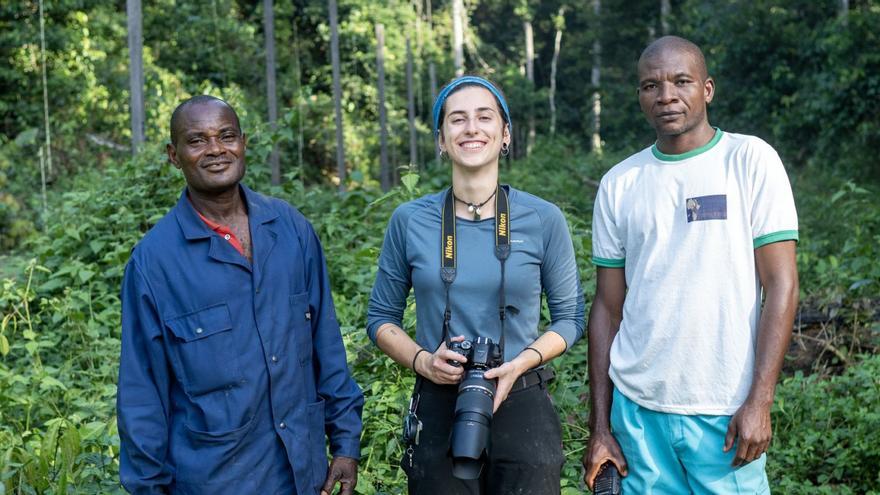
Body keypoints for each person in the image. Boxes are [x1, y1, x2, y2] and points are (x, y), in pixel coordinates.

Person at [582, 36, 799, 494]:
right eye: (651, 86)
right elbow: (606, 307)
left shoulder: (748, 160)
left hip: (722, 409)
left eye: (681, 81)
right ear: (640, 95)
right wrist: (600, 425)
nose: (666, 96)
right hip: (637, 412)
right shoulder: (620, 182)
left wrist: (760, 401)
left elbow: (781, 285)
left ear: (708, 89)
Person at [117, 95, 364, 495]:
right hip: (216, 479)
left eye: (226, 136)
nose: (215, 149)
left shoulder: (290, 229)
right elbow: (141, 393)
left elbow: (326, 345)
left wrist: (345, 443)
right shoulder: (154, 262)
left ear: (243, 143)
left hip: (303, 473)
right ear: (174, 155)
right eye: (197, 140)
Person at [367, 75, 585, 494]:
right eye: (457, 119)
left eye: (484, 117)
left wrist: (524, 361)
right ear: (441, 139)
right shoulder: (411, 220)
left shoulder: (543, 218)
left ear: (505, 134)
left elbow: (570, 318)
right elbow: (380, 318)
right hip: (439, 395)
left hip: (521, 397)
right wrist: (424, 361)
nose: (471, 128)